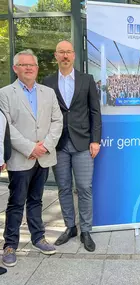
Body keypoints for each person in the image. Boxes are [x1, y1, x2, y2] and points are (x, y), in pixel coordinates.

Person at [0, 49, 63, 267]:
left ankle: (38, 238)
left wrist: (44, 146)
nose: (29, 68)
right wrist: (29, 148)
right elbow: (6, 127)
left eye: (32, 65)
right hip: (21, 157)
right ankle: (10, 245)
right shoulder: (5, 93)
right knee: (16, 202)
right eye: (24, 65)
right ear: (15, 68)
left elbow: (57, 121)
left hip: (43, 156)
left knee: (36, 199)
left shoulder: (48, 92)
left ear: (37, 68)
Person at [42, 41, 102, 252]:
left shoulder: (87, 80)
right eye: (61, 52)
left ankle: (86, 230)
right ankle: (70, 227)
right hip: (58, 144)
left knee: (85, 188)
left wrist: (96, 140)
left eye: (68, 52)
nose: (65, 55)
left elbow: (95, 111)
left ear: (74, 55)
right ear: (56, 56)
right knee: (64, 188)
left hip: (83, 142)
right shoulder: (47, 82)